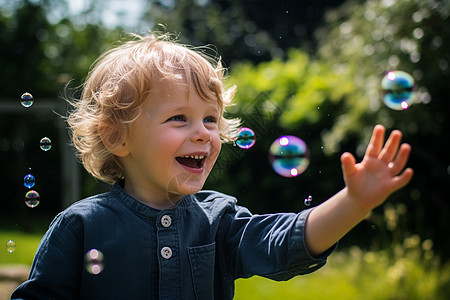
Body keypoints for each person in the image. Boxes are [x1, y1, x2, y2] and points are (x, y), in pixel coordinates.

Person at [11, 32, 413, 300]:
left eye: (210, 119)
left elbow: (283, 243)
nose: (204, 133)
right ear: (118, 137)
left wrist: (353, 203)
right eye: (179, 118)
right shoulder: (81, 227)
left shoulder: (219, 220)